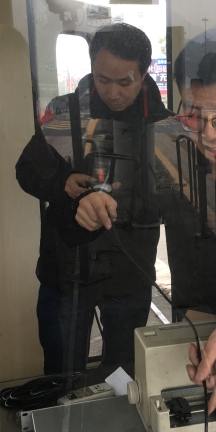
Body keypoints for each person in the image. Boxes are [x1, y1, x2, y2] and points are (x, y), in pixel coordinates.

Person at [72, 34, 216, 412]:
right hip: (198, 322)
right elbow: (134, 194)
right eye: (195, 115)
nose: (209, 134)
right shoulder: (174, 143)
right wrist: (96, 199)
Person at [16, 23, 170, 374]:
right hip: (65, 269)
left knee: (123, 374)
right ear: (91, 68)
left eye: (125, 82)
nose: (113, 93)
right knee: (61, 373)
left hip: (130, 269)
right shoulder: (64, 112)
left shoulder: (162, 123)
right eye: (103, 79)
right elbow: (26, 171)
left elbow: (174, 195)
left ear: (144, 73)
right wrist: (64, 182)